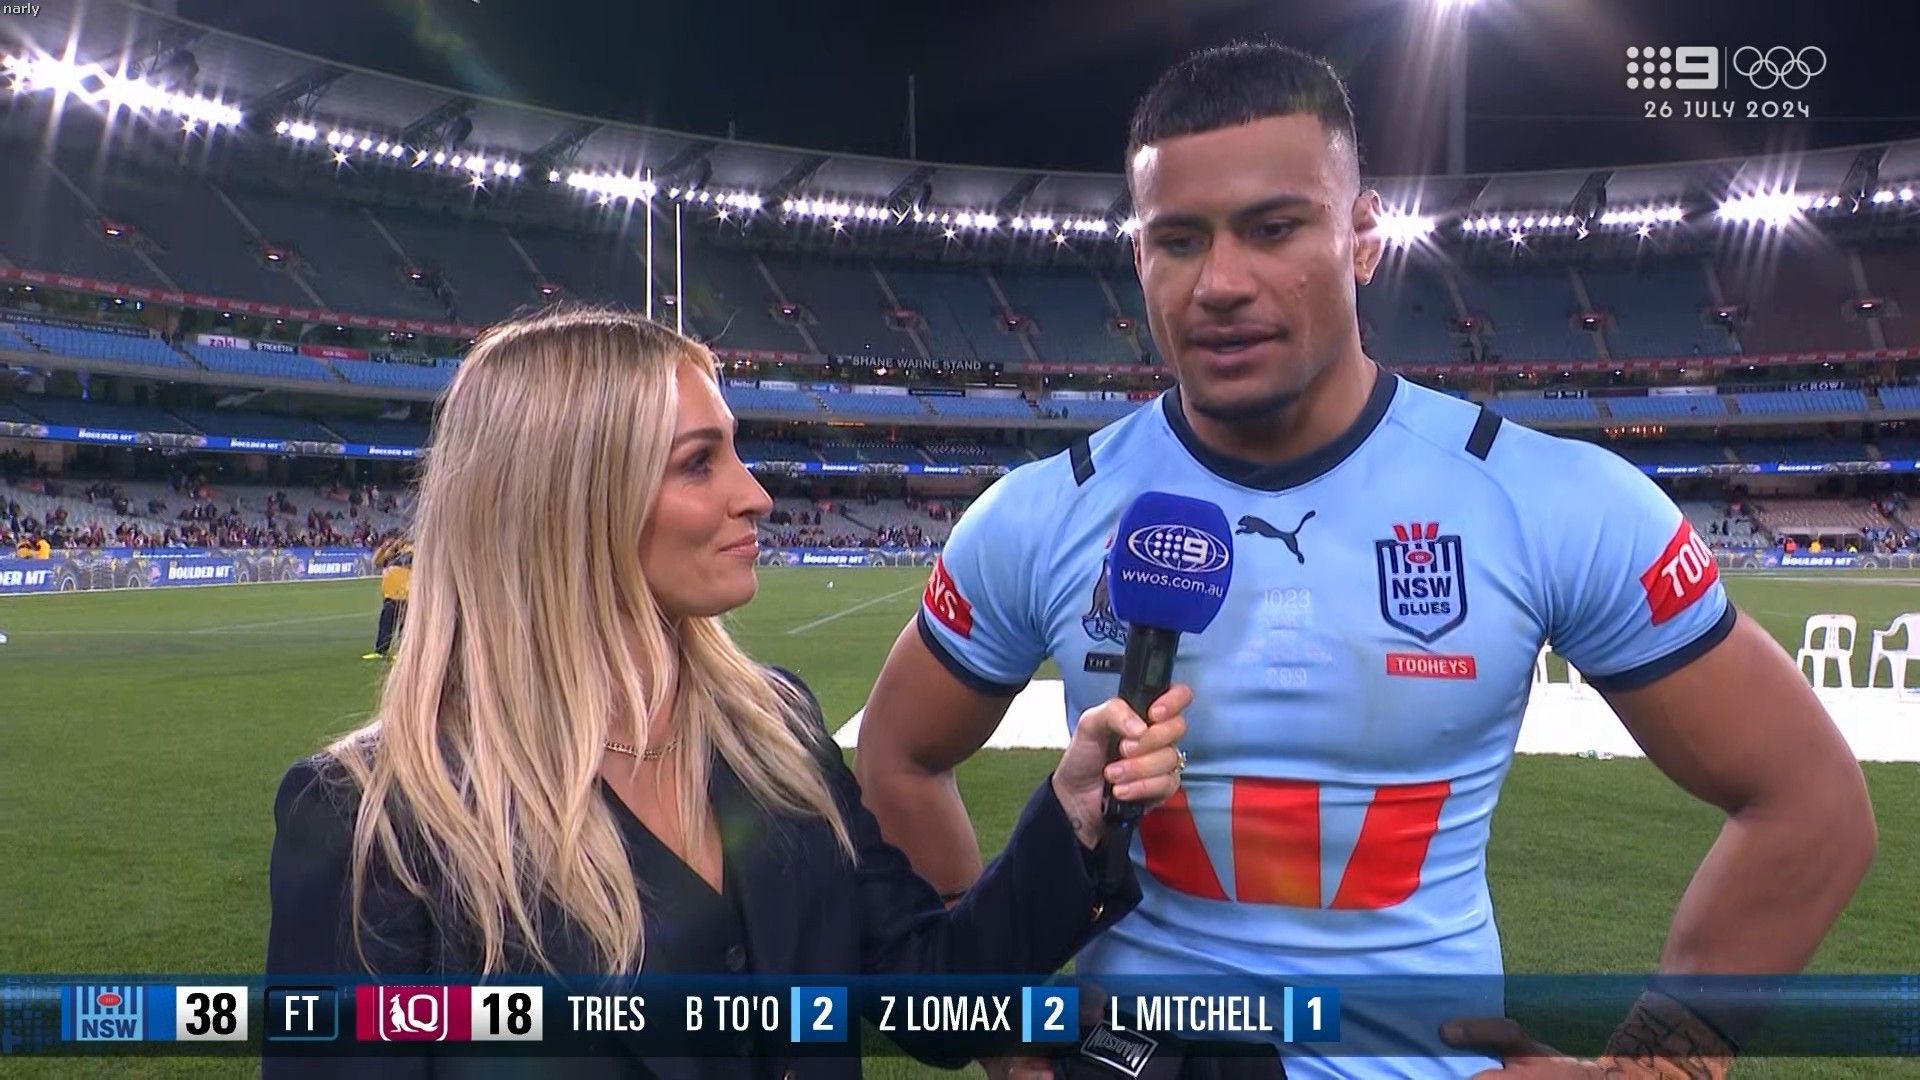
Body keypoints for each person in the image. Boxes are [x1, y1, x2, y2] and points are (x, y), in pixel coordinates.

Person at [853, 42, 1875, 1080]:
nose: (1221, 284)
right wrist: (992, 1024)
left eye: (1274, 228)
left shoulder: (1549, 500)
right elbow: (897, 755)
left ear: (1364, 237)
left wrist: (1657, 1067)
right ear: (1139, 258)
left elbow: (1810, 803)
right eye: (1179, 239)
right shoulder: (1042, 513)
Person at [266, 306, 1192, 1078]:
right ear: (571, 500)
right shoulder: (374, 821)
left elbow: (930, 991)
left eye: (735, 453)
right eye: (698, 463)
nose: (755, 495)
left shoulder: (775, 729)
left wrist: (1073, 812)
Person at [362, 532, 413, 660]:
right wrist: (383, 548)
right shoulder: (388, 553)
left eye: (394, 540)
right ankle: (381, 651)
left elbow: (409, 559)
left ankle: (403, 653)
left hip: (405, 596)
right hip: (389, 595)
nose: (391, 542)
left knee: (404, 627)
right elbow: (376, 562)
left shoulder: (410, 551)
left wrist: (400, 548)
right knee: (385, 625)